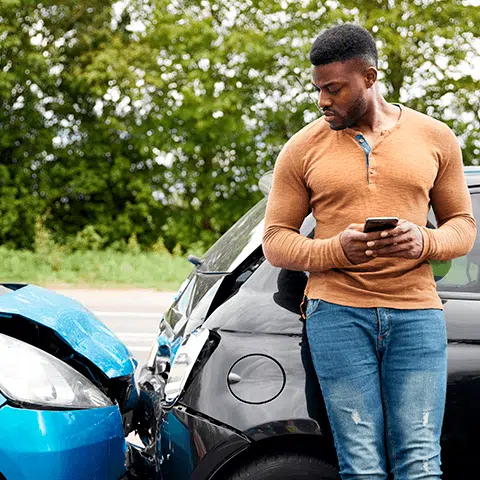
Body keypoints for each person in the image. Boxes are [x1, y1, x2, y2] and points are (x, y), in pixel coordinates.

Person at [262, 23, 476, 480]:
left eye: (334, 89)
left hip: (417, 314)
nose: (323, 101)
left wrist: (427, 241)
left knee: (419, 461)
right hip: (336, 314)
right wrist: (335, 249)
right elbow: (276, 241)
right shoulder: (300, 149)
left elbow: (463, 225)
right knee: (361, 465)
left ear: (370, 78)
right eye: (317, 89)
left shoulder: (435, 137)